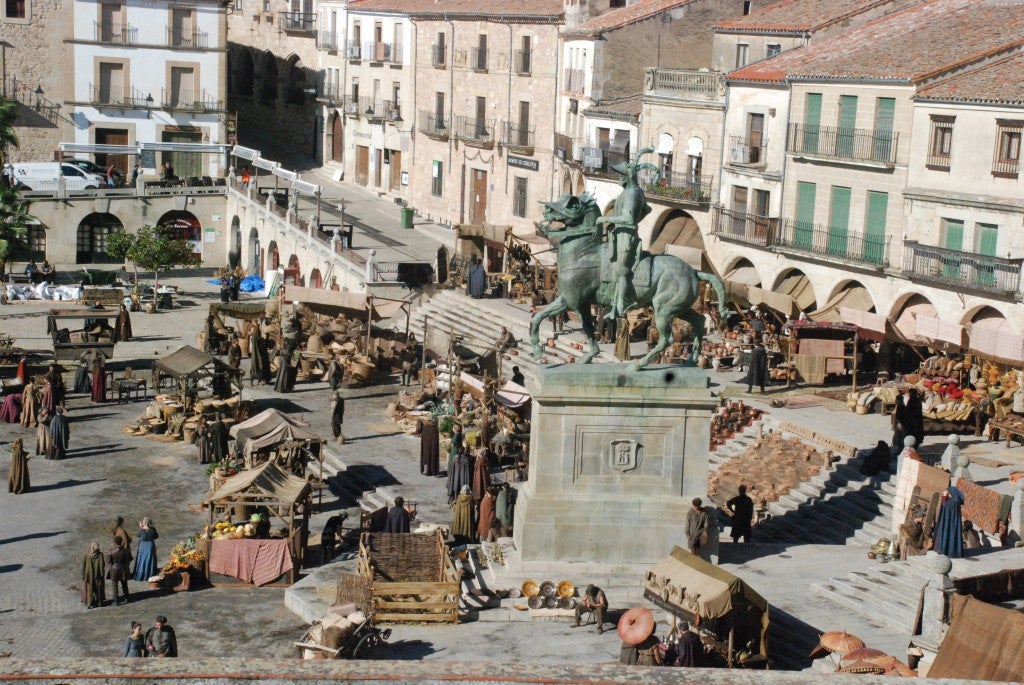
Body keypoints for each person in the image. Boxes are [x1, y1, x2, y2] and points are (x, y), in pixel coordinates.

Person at [892, 386, 925, 457]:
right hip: (910, 422)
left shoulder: (916, 401)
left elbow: (914, 412)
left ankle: (910, 451)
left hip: (915, 422)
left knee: (910, 437)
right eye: (910, 394)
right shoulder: (910, 401)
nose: (910, 395)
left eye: (911, 394)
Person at [106, 535, 132, 605]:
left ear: (115, 542)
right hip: (123, 568)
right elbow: (129, 559)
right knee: (124, 584)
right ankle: (127, 598)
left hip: (114, 569)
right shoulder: (127, 551)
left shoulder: (111, 551)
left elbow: (108, 562)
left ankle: (116, 600)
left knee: (115, 585)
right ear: (121, 542)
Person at [133, 517, 159, 581]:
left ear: (143, 522)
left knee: (142, 559)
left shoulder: (141, 530)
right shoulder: (153, 529)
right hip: (150, 545)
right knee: (150, 559)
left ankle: (141, 573)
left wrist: (140, 527)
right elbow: (156, 536)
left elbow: (137, 535)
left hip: (143, 545)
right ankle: (150, 573)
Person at [81, 542, 106, 609]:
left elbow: (83, 566)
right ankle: (99, 602)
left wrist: (83, 575)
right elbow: (103, 564)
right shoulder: (100, 555)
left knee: (90, 588)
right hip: (98, 574)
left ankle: (89, 603)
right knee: (98, 588)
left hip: (89, 575)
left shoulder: (87, 555)